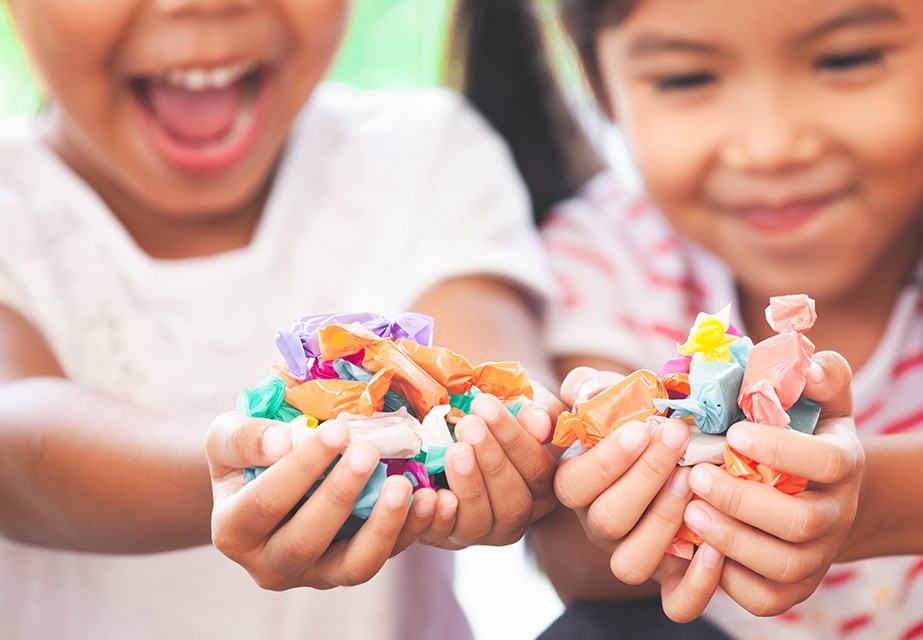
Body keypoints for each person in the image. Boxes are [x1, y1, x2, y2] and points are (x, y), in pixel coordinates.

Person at [454, 0, 923, 638]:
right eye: (687, 78)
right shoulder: (608, 256)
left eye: (847, 59)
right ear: (594, 75)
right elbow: (575, 561)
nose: (770, 147)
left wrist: (861, 500)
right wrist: (612, 487)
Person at [0, 0, 561, 638]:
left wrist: (517, 438)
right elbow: (15, 438)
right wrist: (255, 465)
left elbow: (492, 380)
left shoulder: (423, 154)